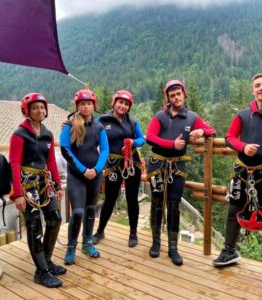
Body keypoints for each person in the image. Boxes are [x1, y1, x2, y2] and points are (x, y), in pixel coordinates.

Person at [212, 73, 262, 287]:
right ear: (252, 90)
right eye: (257, 85)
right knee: (233, 213)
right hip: (241, 173)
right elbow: (229, 138)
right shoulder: (243, 115)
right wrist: (243, 147)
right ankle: (229, 252)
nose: (261, 88)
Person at [146, 80, 215, 266]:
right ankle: (155, 243)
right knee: (157, 203)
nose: (176, 97)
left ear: (184, 94)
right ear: (168, 98)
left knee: (174, 205)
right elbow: (150, 137)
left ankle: (173, 248)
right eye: (172, 95)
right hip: (158, 164)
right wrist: (172, 144)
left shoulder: (192, 118)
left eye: (179, 94)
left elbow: (212, 130)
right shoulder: (160, 116)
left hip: (177, 167)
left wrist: (201, 130)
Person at [9, 93, 66, 288]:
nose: (39, 111)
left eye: (42, 107)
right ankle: (41, 272)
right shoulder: (19, 134)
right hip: (27, 185)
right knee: (34, 227)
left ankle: (47, 262)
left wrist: (58, 185)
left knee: (55, 219)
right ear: (27, 110)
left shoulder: (47, 134)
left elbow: (50, 161)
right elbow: (14, 164)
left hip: (44, 183)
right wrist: (17, 194)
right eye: (35, 108)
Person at [60, 89, 109, 265]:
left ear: (93, 105)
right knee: (78, 212)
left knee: (90, 210)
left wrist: (96, 170)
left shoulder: (98, 127)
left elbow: (104, 150)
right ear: (77, 106)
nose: (86, 106)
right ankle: (71, 247)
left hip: (95, 174)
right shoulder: (70, 125)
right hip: (77, 175)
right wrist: (83, 170)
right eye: (82, 104)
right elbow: (65, 149)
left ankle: (87, 243)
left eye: (89, 103)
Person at [92, 90, 145, 247]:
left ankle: (133, 233)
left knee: (132, 198)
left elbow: (142, 138)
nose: (123, 106)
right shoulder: (101, 121)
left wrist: (134, 142)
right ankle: (100, 231)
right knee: (110, 198)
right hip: (114, 165)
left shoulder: (133, 122)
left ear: (129, 107)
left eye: (126, 104)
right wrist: (70, 124)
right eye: (120, 102)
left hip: (131, 164)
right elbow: (87, 129)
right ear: (114, 103)